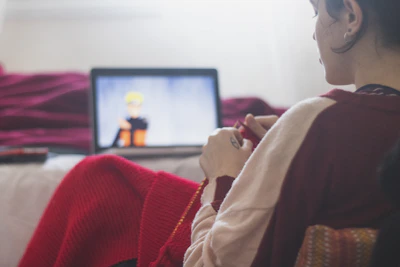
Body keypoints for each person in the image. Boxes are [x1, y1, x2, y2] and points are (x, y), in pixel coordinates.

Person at [18, 0, 400, 266]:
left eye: (316, 12)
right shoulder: (328, 126)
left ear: (351, 14)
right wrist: (282, 151)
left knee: (98, 178)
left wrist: (223, 174)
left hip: (218, 241)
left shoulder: (320, 119)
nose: (314, 32)